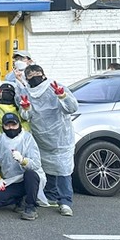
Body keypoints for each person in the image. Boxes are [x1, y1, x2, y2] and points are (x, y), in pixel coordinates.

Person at [17, 64, 79, 216]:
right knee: (46, 167)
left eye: (37, 73)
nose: (34, 77)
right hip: (41, 136)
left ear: (43, 74)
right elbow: (26, 116)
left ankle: (65, 201)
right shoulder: (26, 92)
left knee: (63, 169)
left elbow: (72, 108)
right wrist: (25, 108)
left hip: (61, 136)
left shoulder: (54, 86)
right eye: (30, 75)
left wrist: (62, 96)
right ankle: (50, 195)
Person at [0, 113, 46, 220]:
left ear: (19, 124)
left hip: (30, 179)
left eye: (13, 125)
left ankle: (31, 206)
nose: (11, 128)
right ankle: (20, 199)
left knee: (30, 174)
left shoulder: (28, 138)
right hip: (12, 181)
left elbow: (36, 164)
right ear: (3, 126)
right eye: (7, 125)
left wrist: (23, 160)